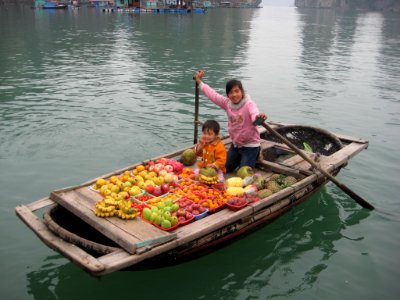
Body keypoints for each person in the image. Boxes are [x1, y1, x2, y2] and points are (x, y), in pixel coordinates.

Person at [194, 70, 267, 172]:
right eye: (231, 92)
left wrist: (259, 118)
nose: (234, 95)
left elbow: (254, 114)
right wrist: (199, 82)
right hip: (236, 145)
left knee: (243, 172)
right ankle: (240, 158)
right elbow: (213, 95)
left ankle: (257, 153)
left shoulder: (249, 104)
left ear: (242, 91)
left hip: (250, 145)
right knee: (224, 168)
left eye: (237, 91)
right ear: (228, 94)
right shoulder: (227, 104)